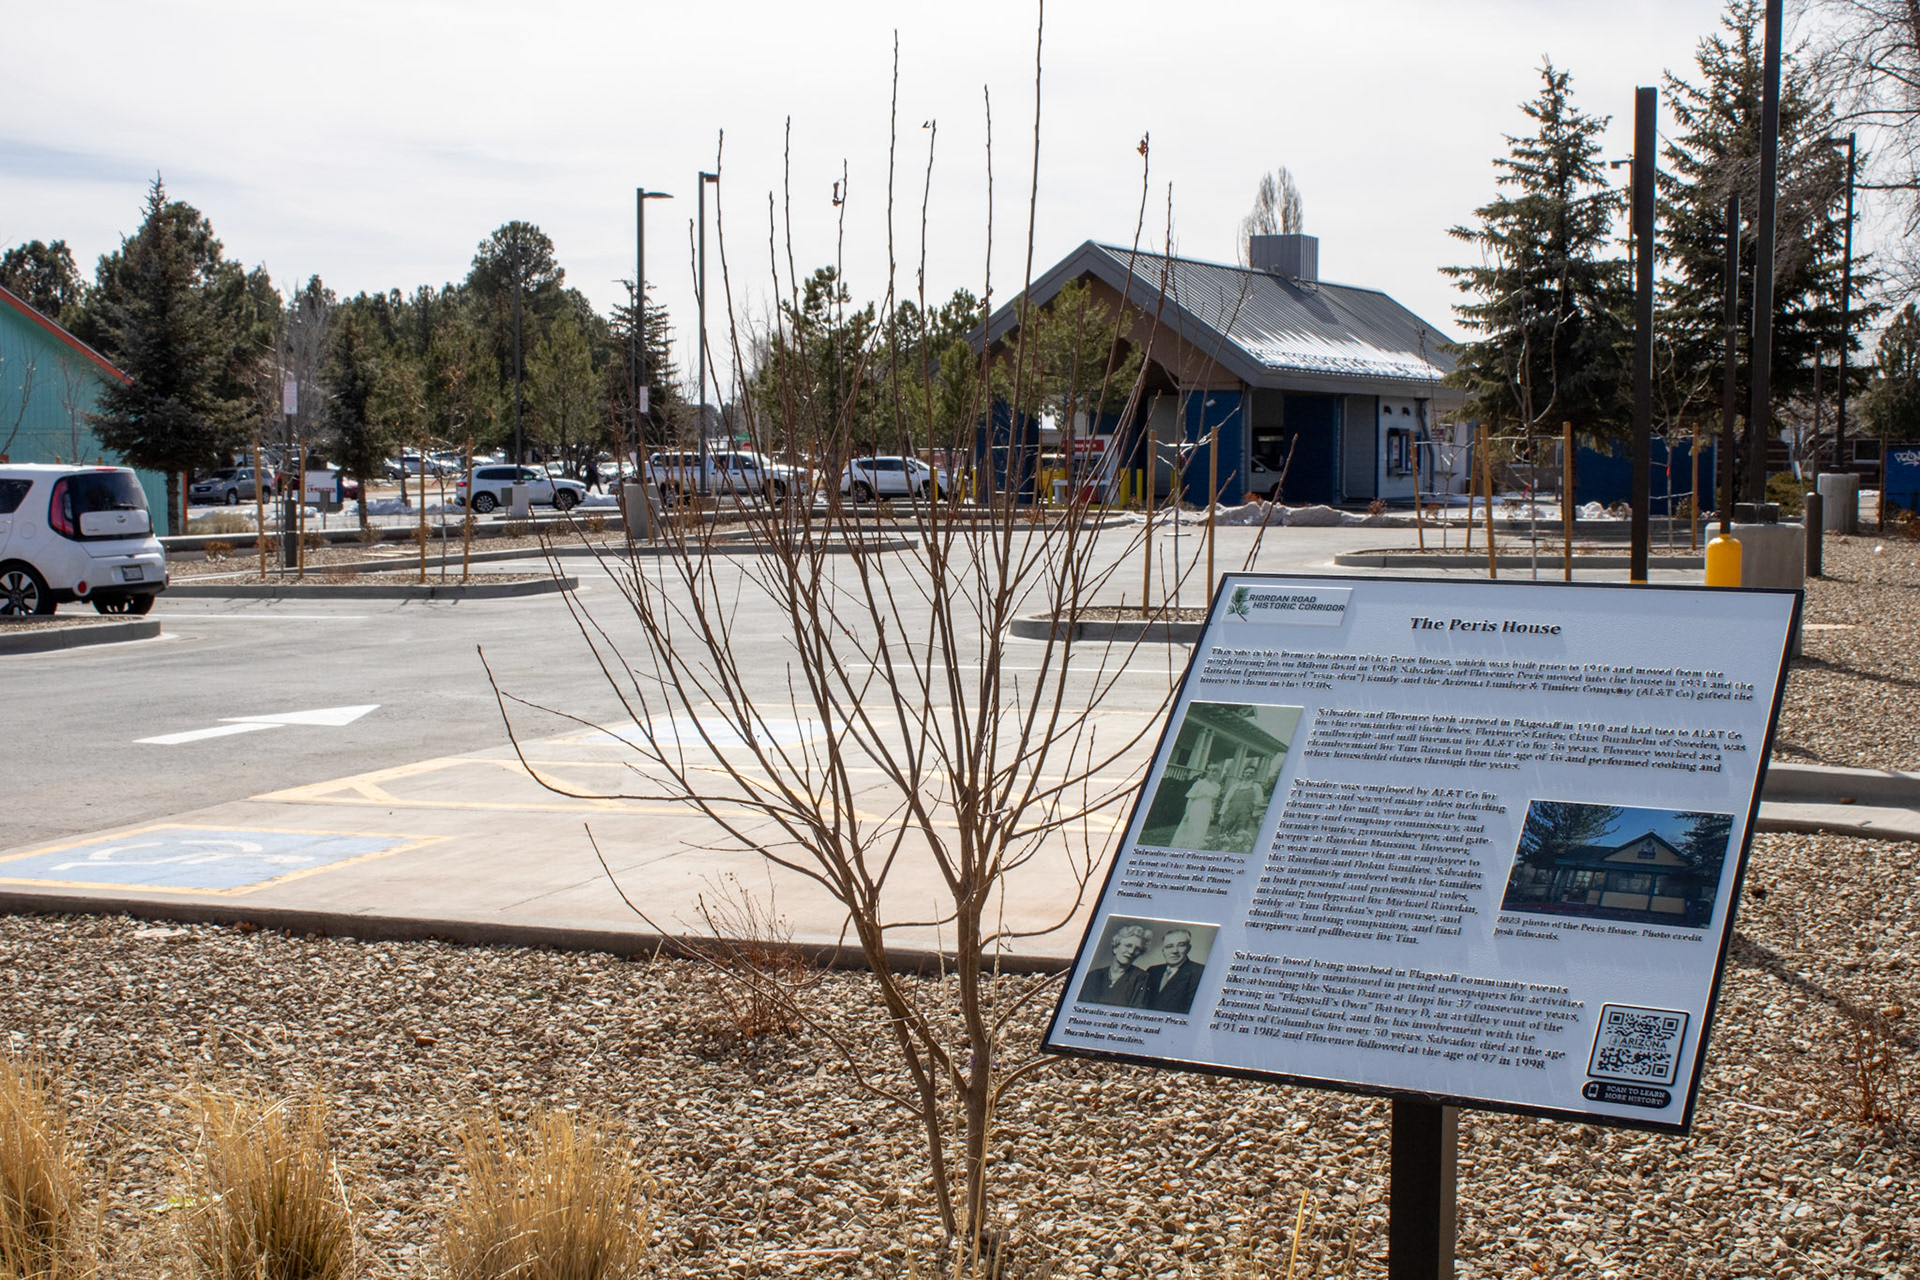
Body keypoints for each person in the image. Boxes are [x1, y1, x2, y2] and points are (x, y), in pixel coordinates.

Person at [1078, 924, 1152, 1007]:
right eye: (1128, 946)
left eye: (1137, 949)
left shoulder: (1141, 978)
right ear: (1115, 947)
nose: (1131, 951)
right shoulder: (1093, 975)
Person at [1138, 928, 1205, 1014]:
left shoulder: (1199, 972)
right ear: (1163, 950)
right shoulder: (1152, 971)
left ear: (1189, 948)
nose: (1175, 951)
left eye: (1181, 945)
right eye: (1169, 946)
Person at [1170, 763, 1223, 849]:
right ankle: (1183, 847)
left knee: (1202, 828)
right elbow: (1191, 799)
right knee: (1192, 827)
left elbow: (1213, 800)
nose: (1213, 773)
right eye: (1211, 771)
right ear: (1207, 772)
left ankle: (1194, 847)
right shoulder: (1199, 783)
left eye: (1215, 772)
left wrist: (1212, 812)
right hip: (1196, 807)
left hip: (1207, 809)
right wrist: (1187, 813)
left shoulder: (1217, 786)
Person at [1215, 760, 1266, 848]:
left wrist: (1249, 803)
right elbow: (1226, 800)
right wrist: (1221, 815)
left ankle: (1234, 849)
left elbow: (1259, 801)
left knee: (1240, 832)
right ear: (1243, 774)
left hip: (1245, 813)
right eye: (1246, 773)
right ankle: (1220, 847)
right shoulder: (1235, 786)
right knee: (1225, 830)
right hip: (1231, 812)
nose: (1248, 775)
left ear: (1254, 775)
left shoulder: (1256, 786)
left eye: (1251, 773)